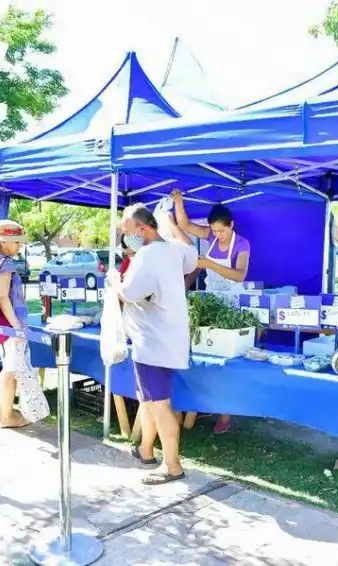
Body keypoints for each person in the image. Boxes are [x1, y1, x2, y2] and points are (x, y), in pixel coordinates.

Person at [109, 203, 198, 486]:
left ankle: (172, 466)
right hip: (165, 338)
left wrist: (114, 281)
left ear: (144, 228)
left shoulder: (147, 256)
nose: (125, 236)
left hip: (153, 342)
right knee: (148, 399)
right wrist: (173, 226)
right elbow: (192, 253)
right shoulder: (173, 249)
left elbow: (129, 292)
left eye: (128, 230)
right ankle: (146, 450)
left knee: (159, 404)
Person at [172, 191, 250, 434]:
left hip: (231, 308)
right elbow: (184, 224)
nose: (217, 235)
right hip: (210, 302)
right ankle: (199, 402)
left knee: (226, 362)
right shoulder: (210, 237)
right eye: (214, 231)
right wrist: (178, 202)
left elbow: (240, 275)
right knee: (203, 353)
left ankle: (225, 415)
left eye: (221, 231)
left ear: (231, 225)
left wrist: (210, 264)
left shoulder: (242, 244)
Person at [0, 220, 49, 428]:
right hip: (10, 325)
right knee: (11, 371)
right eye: (17, 241)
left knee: (7, 369)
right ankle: (7, 416)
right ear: (3, 242)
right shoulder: (6, 264)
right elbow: (3, 297)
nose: (20, 246)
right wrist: (17, 328)